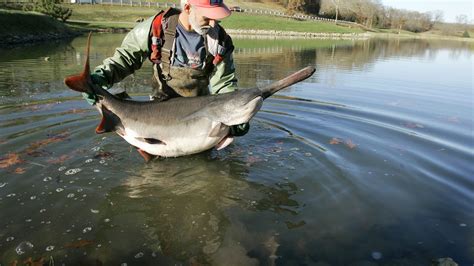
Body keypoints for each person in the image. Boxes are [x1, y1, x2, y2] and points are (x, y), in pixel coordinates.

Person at [84, 0, 249, 136]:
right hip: (156, 117)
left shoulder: (220, 41)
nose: (214, 23)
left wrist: (235, 116)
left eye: (217, 17)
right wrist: (101, 77)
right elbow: (125, 59)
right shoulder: (156, 28)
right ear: (187, 8)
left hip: (200, 121)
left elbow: (224, 83)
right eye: (208, 17)